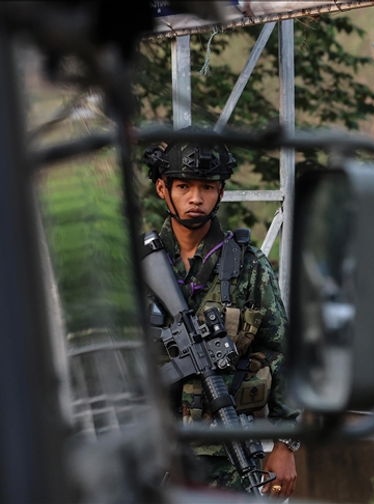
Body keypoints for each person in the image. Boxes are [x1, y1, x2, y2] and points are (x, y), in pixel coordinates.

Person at [143, 134, 301, 499]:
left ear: (221, 192)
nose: (195, 198)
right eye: (183, 186)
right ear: (162, 189)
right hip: (150, 451)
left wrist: (284, 444)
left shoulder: (248, 265)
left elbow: (281, 352)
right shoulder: (136, 266)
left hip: (227, 458)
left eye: (207, 187)